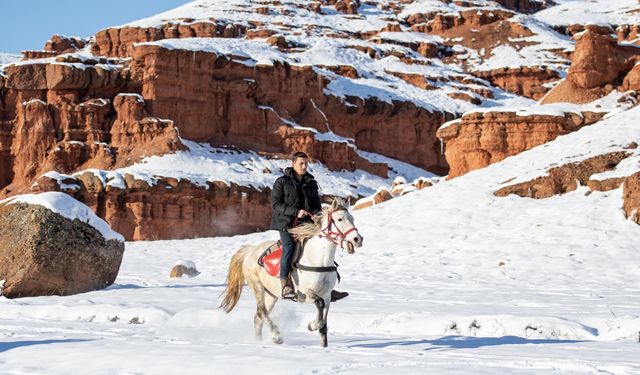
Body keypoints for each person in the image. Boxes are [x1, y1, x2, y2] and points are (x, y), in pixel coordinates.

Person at [270, 151, 348, 302]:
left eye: (306, 163)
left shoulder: (311, 183)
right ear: (293, 164)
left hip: (306, 224)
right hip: (286, 224)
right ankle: (286, 284)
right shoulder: (281, 182)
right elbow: (276, 204)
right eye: (301, 163)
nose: (304, 166)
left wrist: (317, 215)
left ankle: (326, 287)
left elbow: (316, 207)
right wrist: (295, 212)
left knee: (321, 245)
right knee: (289, 247)